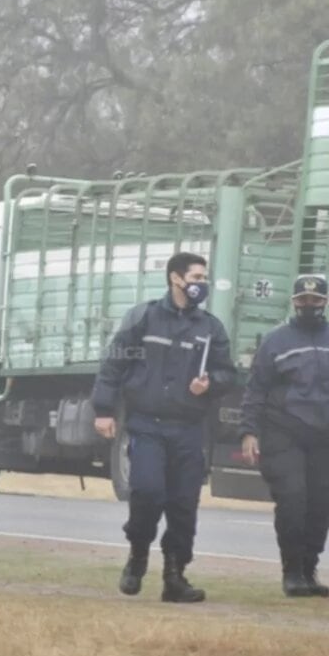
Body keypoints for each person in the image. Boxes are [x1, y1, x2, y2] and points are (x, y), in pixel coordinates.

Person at [91, 251, 236, 602]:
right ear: (176, 278)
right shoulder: (144, 318)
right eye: (197, 277)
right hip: (147, 426)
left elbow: (229, 374)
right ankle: (137, 555)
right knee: (147, 492)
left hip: (188, 429)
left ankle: (175, 576)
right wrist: (103, 410)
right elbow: (114, 365)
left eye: (204, 278)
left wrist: (211, 383)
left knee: (184, 505)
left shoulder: (210, 327)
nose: (202, 284)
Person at [239, 275, 329, 598]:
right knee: (293, 499)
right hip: (285, 432)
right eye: (302, 300)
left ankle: (310, 569)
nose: (308, 306)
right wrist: (250, 431)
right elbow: (256, 389)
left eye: (315, 301)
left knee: (322, 503)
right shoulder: (276, 341)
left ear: (325, 302)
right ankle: (291, 572)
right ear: (294, 302)